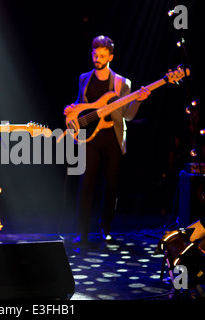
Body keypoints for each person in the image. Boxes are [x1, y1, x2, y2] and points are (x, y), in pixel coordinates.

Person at [64, 35, 150, 244]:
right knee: (86, 184)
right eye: (95, 54)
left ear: (110, 56)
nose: (97, 58)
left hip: (112, 136)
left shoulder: (122, 83)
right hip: (90, 138)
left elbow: (128, 116)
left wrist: (138, 101)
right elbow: (81, 105)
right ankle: (82, 231)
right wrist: (71, 110)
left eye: (102, 55)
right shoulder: (84, 78)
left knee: (110, 184)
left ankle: (106, 228)